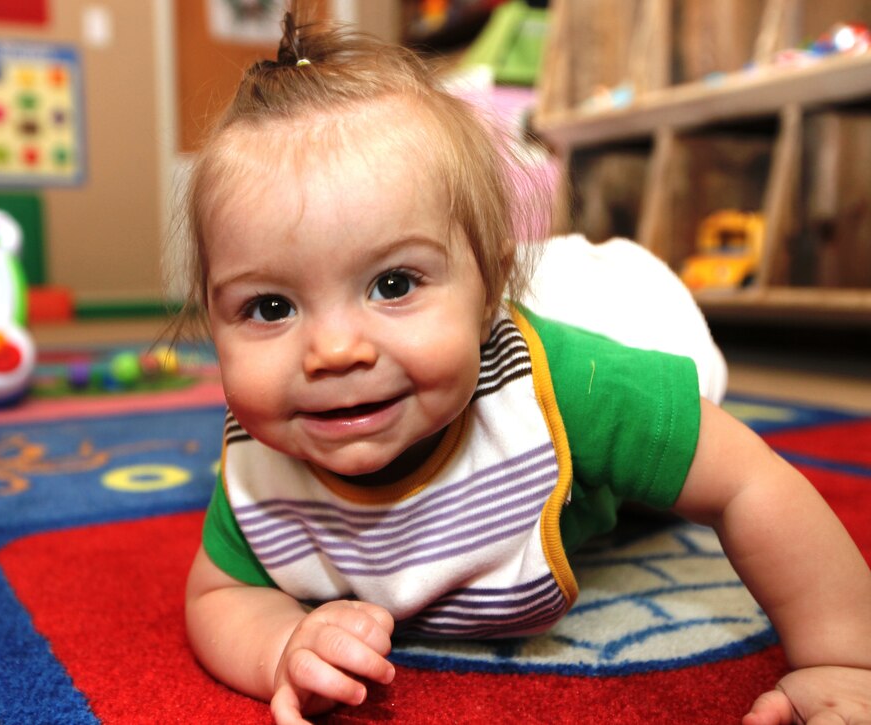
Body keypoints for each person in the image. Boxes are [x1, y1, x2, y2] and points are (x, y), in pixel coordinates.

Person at [181, 7, 871, 725]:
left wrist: (844, 659)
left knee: (669, 442)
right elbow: (218, 595)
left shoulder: (570, 387)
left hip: (622, 310)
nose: (332, 351)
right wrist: (283, 642)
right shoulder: (259, 460)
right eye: (269, 307)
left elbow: (749, 482)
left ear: (488, 298)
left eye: (391, 284)